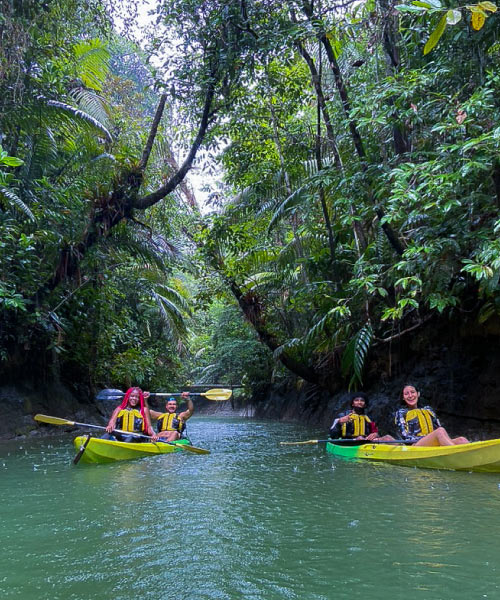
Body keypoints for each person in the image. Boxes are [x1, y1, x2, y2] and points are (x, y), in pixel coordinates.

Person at [394, 384, 469, 446]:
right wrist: (427, 438)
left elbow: (438, 427)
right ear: (403, 398)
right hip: (415, 445)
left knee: (462, 440)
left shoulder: (428, 410)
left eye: (412, 392)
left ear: (418, 394)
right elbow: (404, 436)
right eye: (406, 394)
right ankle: (454, 454)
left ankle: (472, 458)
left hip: (432, 441)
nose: (410, 396)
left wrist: (435, 438)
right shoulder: (401, 413)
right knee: (440, 431)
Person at [329, 392, 394, 441]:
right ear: (352, 403)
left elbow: (376, 433)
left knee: (388, 437)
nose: (359, 402)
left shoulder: (369, 419)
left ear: (365, 405)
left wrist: (376, 434)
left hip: (365, 443)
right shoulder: (342, 416)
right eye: (356, 400)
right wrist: (339, 423)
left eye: (362, 400)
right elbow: (332, 436)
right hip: (348, 443)